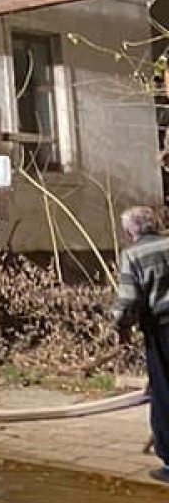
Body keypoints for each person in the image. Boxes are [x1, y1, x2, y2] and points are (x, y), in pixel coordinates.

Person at [109, 204, 169, 482]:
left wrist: (120, 325)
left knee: (164, 392)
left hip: (161, 329)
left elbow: (128, 299)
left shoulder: (132, 255)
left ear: (129, 231)